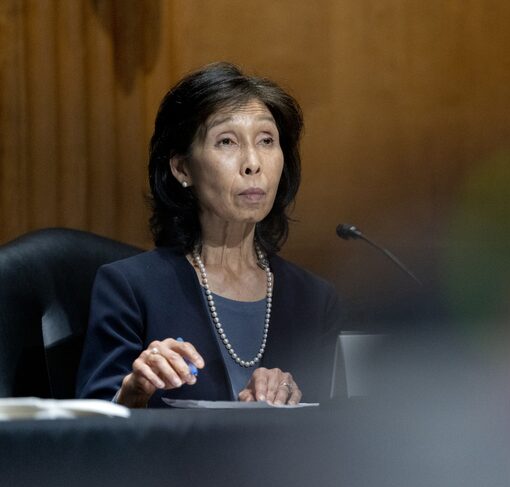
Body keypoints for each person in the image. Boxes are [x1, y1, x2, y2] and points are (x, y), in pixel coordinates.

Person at [76, 62, 340, 407]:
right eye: (226, 141)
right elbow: (92, 426)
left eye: (266, 141)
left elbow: (340, 429)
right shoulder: (130, 288)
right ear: (182, 168)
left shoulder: (314, 300)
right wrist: (135, 389)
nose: (253, 163)